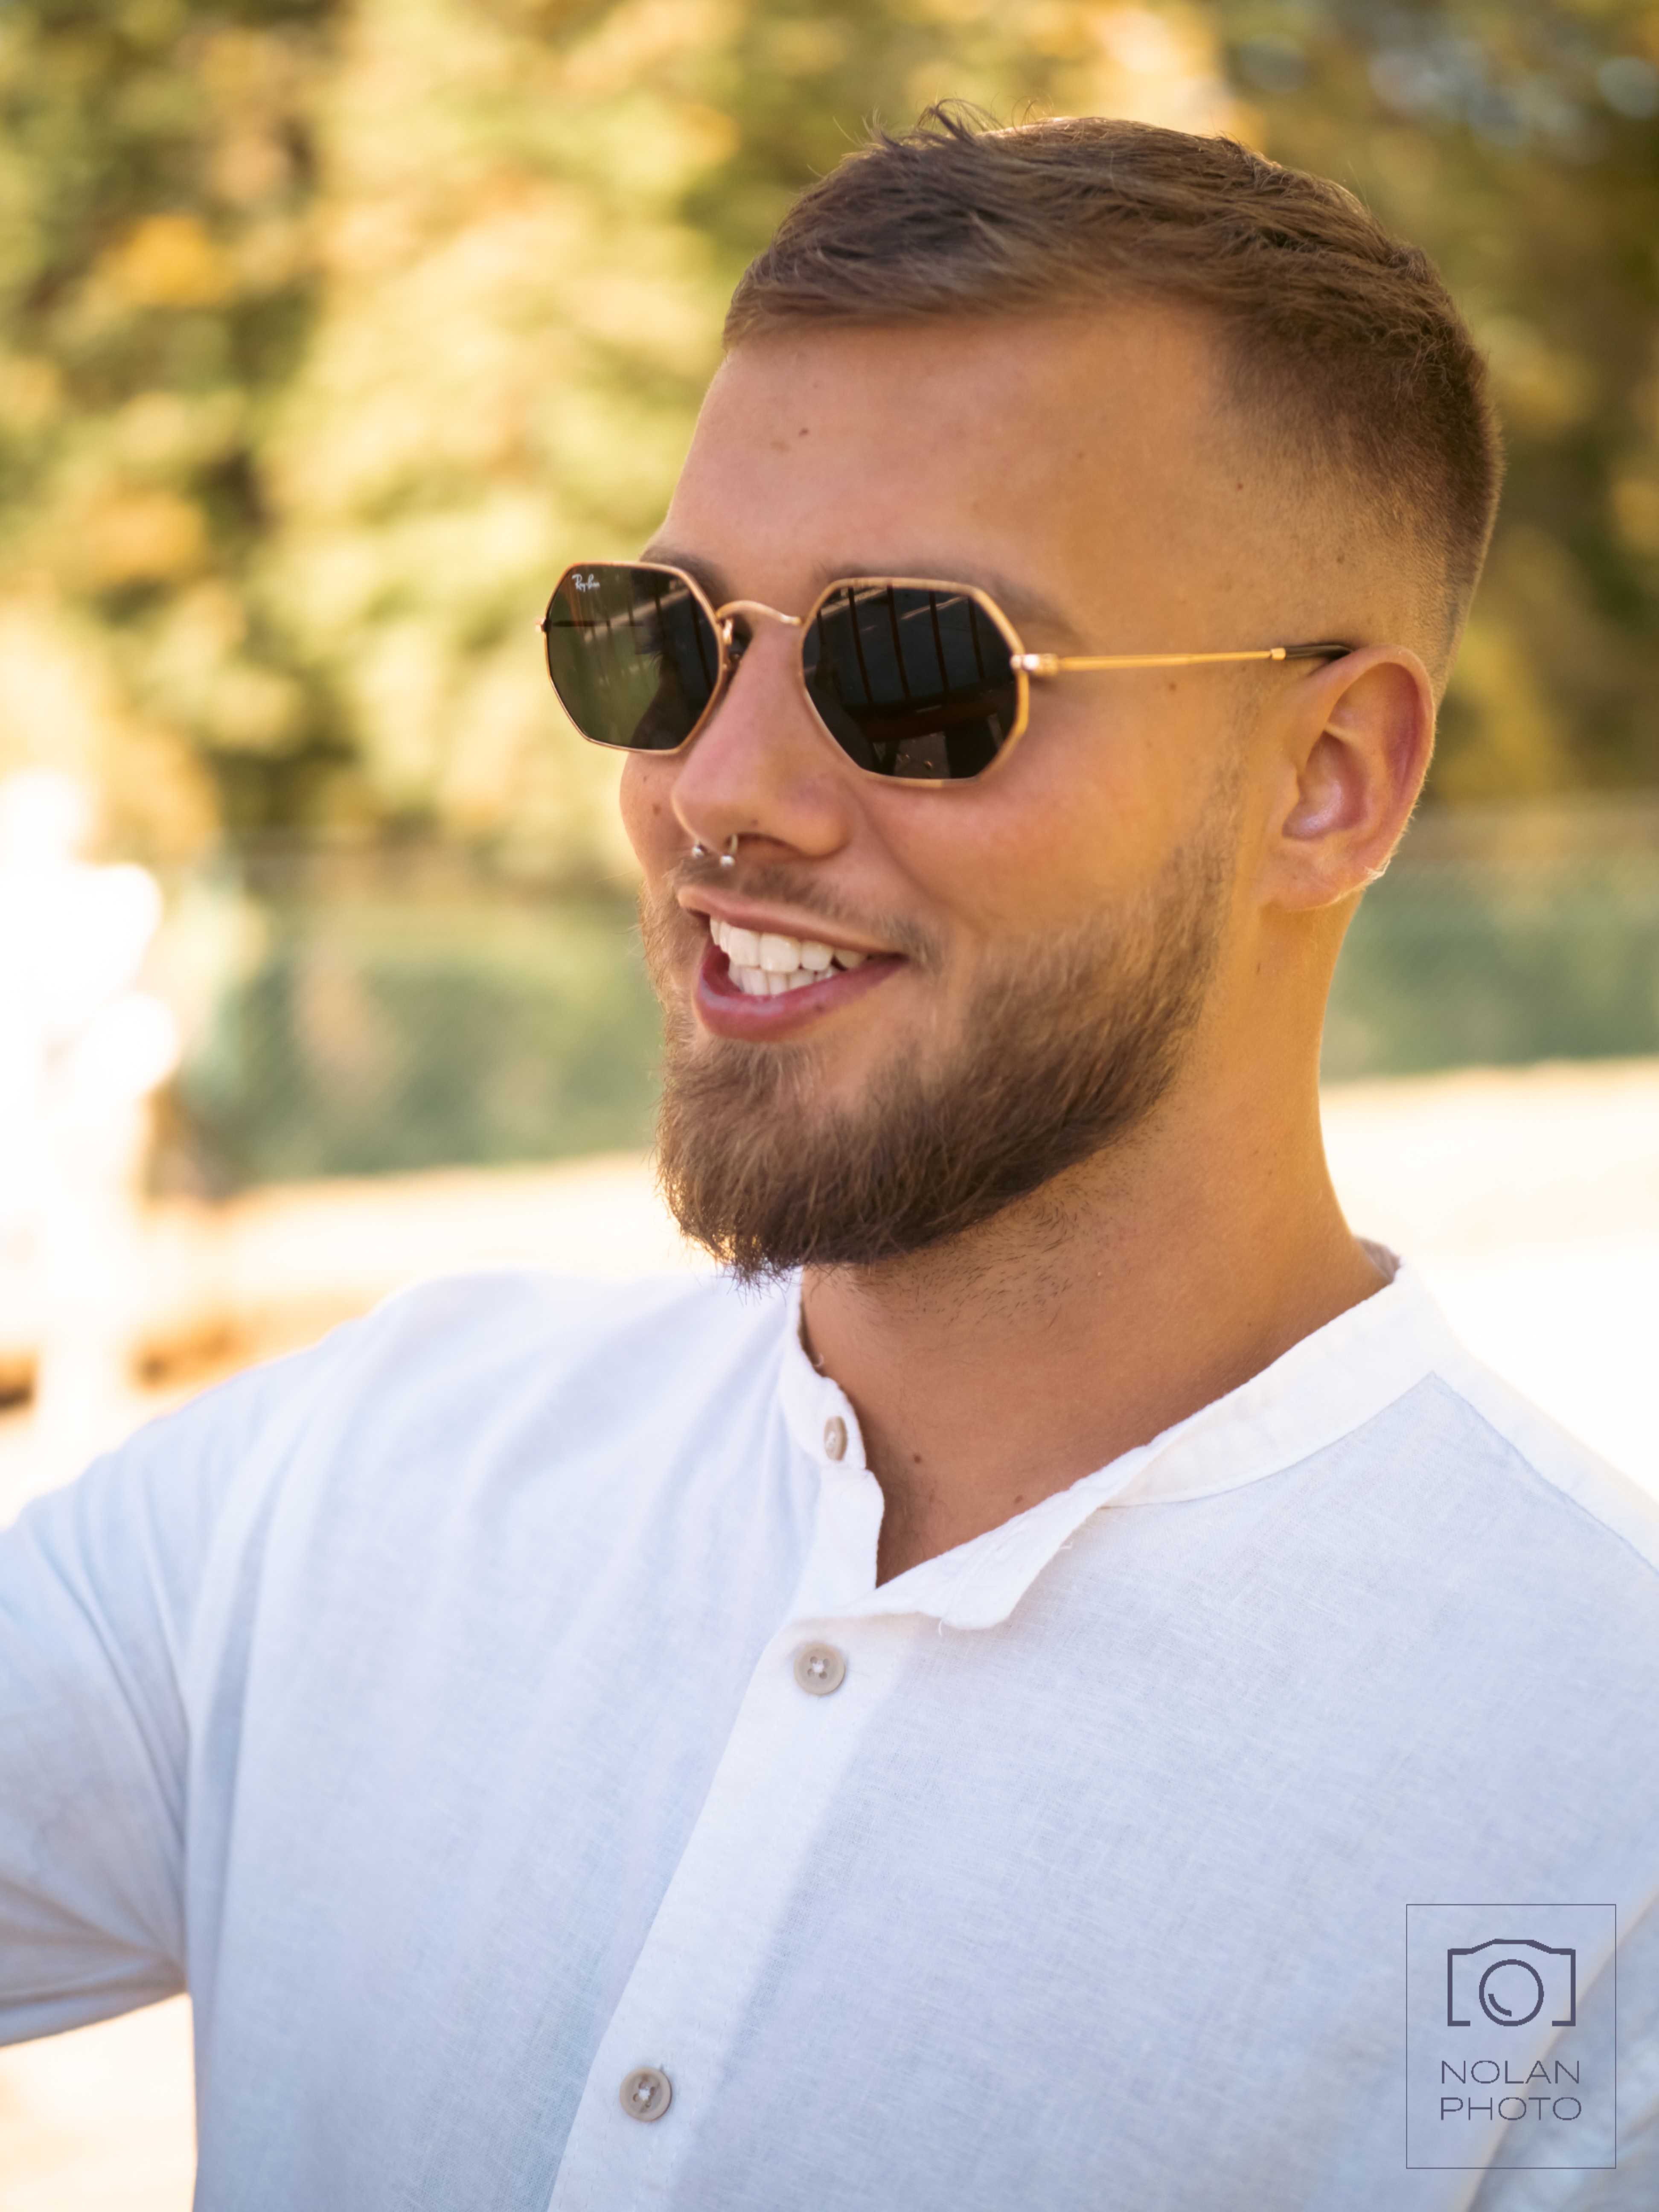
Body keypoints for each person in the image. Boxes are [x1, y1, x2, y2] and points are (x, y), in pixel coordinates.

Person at [3, 110, 1656, 2212]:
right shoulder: (352, 1483)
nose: (718, 786)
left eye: (916, 668)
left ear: (1326, 782)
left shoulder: (1601, 1812)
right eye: (666, 636)